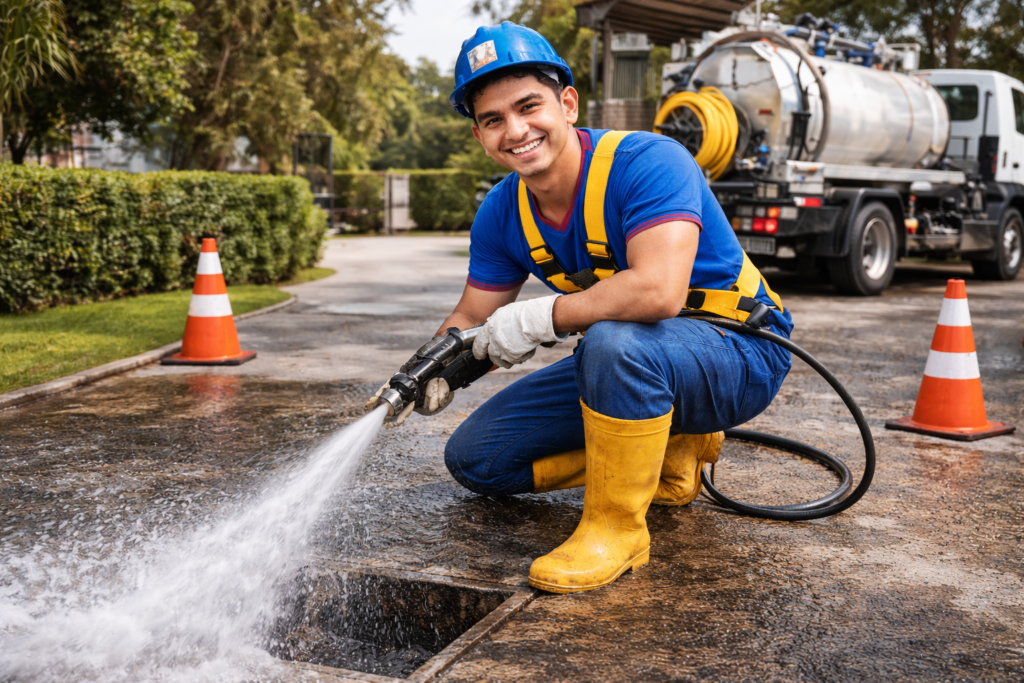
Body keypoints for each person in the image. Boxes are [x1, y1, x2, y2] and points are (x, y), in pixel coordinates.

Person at [422, 22, 792, 594]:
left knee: (614, 341)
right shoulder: (501, 212)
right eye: (493, 120)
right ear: (479, 135)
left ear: (567, 103)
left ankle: (616, 528)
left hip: (737, 349)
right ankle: (667, 454)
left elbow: (657, 292)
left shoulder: (648, 161)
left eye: (528, 106)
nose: (515, 131)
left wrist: (540, 318)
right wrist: (423, 371)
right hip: (628, 360)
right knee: (478, 461)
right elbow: (472, 317)